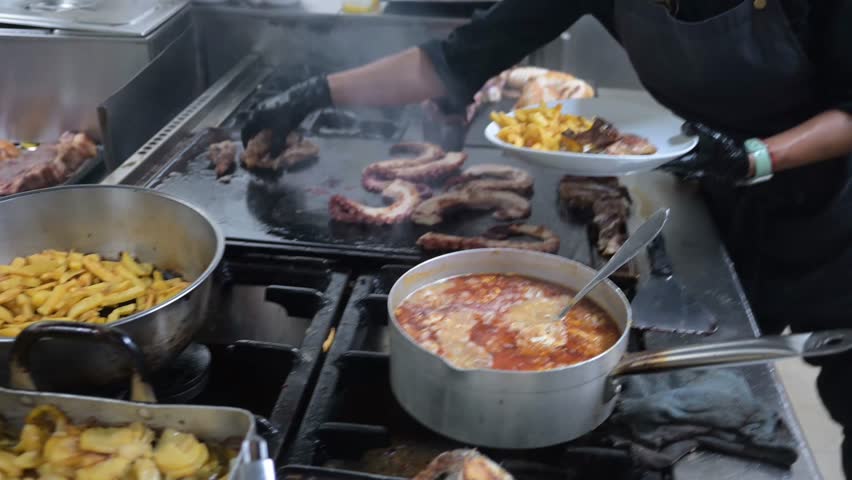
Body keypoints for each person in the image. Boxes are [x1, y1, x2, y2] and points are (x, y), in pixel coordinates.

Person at [241, 0, 852, 474]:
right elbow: (454, 59)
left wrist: (757, 157)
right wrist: (316, 93)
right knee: (742, 355)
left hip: (836, 210)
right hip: (723, 189)